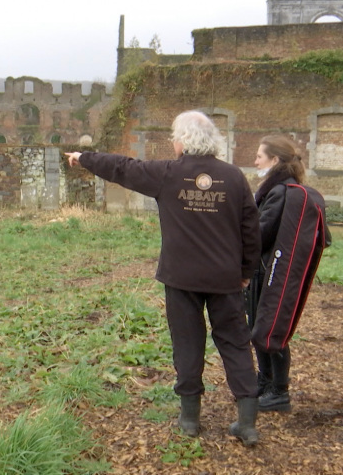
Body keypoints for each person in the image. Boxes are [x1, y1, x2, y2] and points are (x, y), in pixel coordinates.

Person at [66, 110, 262, 446]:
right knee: (235, 342)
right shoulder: (233, 178)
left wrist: (85, 158)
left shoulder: (168, 174)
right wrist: (244, 273)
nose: (173, 142)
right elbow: (251, 231)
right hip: (225, 279)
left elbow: (122, 168)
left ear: (183, 141)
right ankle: (247, 423)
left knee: (187, 343)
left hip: (182, 278)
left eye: (174, 137)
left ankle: (189, 420)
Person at [249, 135, 331, 413]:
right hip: (266, 270)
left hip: (269, 272)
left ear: (274, 160)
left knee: (272, 328)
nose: (256, 161)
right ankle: (265, 381)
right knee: (261, 327)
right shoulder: (279, 189)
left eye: (260, 156)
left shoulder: (280, 191)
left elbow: (261, 234)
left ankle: (279, 391)